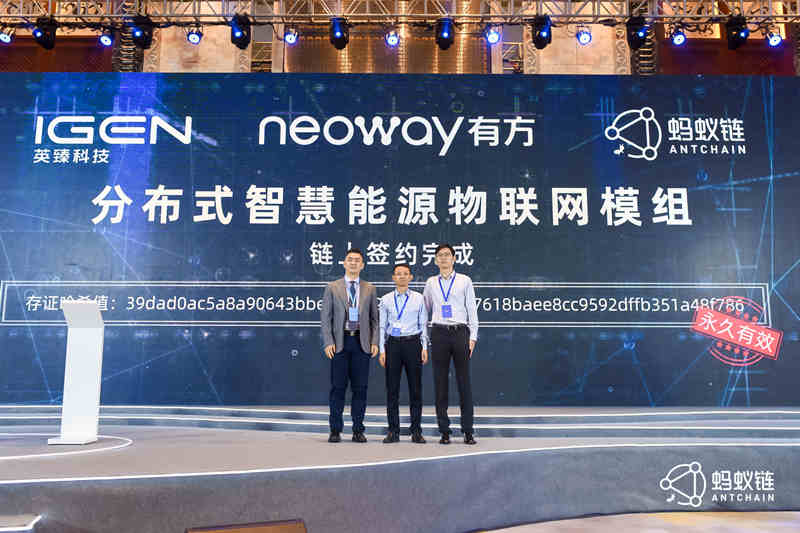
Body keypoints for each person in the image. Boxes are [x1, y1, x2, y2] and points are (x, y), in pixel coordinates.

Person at [320, 248, 379, 443]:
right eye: (350, 259)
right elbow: (325, 318)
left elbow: (375, 320)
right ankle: (335, 430)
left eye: (357, 260)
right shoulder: (332, 287)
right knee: (338, 388)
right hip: (340, 343)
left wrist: (374, 342)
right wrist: (328, 342)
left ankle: (358, 430)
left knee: (360, 389)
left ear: (362, 265)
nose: (353, 263)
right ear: (344, 263)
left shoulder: (370, 288)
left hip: (361, 344)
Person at [423, 243, 479, 445]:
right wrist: (424, 339)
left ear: (454, 258)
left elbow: (472, 309)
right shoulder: (431, 282)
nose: (444, 258)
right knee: (440, 383)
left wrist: (472, 337)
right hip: (439, 333)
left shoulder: (464, 280)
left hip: (460, 332)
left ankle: (468, 430)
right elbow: (425, 311)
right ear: (436, 260)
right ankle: (444, 431)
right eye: (440, 255)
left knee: (464, 382)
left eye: (447, 255)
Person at [378, 263, 428, 444]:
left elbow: (423, 324)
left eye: (405, 273)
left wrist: (424, 347)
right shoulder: (385, 299)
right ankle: (393, 431)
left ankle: (416, 431)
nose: (402, 276)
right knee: (392, 390)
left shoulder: (419, 299)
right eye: (398, 274)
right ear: (393, 277)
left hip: (413, 344)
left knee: (416, 390)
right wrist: (382, 349)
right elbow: (382, 326)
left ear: (411, 277)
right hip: (393, 345)